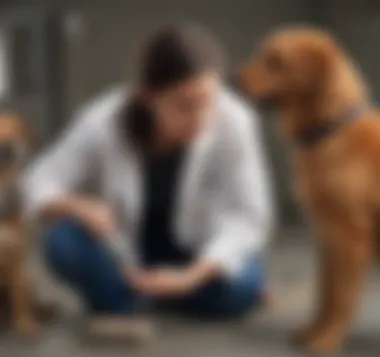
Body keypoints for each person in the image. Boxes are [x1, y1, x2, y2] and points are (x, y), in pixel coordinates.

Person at [23, 24, 273, 324]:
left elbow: (249, 216)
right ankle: (144, 296)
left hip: (198, 254)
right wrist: (77, 206)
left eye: (208, 101)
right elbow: (38, 180)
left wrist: (191, 277)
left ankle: (137, 300)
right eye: (184, 105)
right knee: (61, 242)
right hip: (127, 257)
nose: (200, 119)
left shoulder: (236, 121)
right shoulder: (104, 119)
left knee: (244, 284)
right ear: (148, 97)